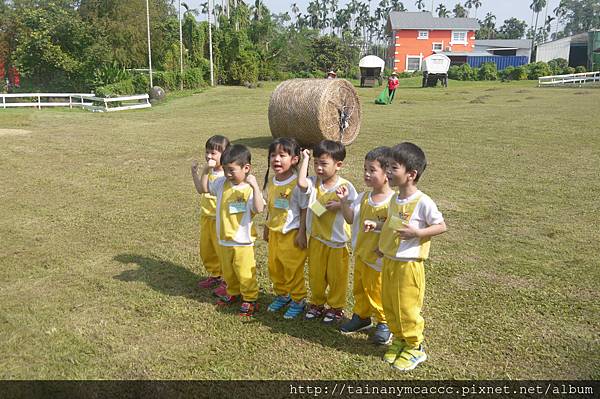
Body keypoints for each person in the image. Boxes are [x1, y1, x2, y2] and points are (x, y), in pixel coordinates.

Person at [364, 142, 447, 371]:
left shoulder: (423, 201)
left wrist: (418, 233)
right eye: (388, 167)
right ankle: (400, 339)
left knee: (407, 307)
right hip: (390, 261)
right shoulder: (394, 199)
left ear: (411, 174)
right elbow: (393, 226)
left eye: (393, 168)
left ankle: (415, 347)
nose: (388, 172)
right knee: (391, 304)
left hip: (409, 266)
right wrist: (379, 229)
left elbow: (441, 226)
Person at [198, 144, 265, 318]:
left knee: (244, 271)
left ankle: (250, 299)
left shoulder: (249, 189)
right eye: (225, 169)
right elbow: (205, 188)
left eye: (232, 170)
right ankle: (233, 292)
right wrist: (206, 170)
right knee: (228, 271)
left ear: (246, 168)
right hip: (224, 239)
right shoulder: (222, 183)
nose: (227, 174)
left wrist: (256, 187)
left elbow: (258, 209)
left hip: (242, 241)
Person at [336, 147, 394, 345]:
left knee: (377, 290)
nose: (367, 174)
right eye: (365, 169)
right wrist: (344, 202)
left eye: (372, 170)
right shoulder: (362, 198)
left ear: (387, 174)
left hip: (379, 258)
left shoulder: (393, 202)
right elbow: (350, 219)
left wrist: (384, 246)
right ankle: (361, 317)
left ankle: (385, 322)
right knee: (360, 288)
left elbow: (396, 228)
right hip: (361, 254)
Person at [297, 140, 357, 324]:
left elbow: (352, 213)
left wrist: (340, 204)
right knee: (316, 275)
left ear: (338, 165)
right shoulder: (313, 182)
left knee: (337, 277)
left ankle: (335, 308)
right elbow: (300, 183)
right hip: (316, 239)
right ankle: (316, 303)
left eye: (323, 163)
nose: (319, 168)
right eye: (316, 163)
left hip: (337, 244)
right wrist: (305, 159)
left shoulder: (345, 187)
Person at [262, 138, 309, 319]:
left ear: (295, 159)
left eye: (282, 155)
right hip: (274, 233)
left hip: (292, 234)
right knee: (275, 267)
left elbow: (305, 209)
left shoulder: (297, 183)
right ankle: (283, 295)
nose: (276, 159)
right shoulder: (273, 181)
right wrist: (267, 227)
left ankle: (298, 300)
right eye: (273, 155)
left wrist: (302, 233)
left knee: (292, 269)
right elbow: (272, 206)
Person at [191, 135, 230, 297]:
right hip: (206, 217)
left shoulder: (228, 174)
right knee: (207, 249)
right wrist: (195, 173)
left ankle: (227, 280)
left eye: (213, 153)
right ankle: (215, 275)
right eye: (207, 152)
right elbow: (201, 189)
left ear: (225, 154)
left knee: (223, 251)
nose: (209, 156)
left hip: (220, 220)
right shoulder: (210, 171)